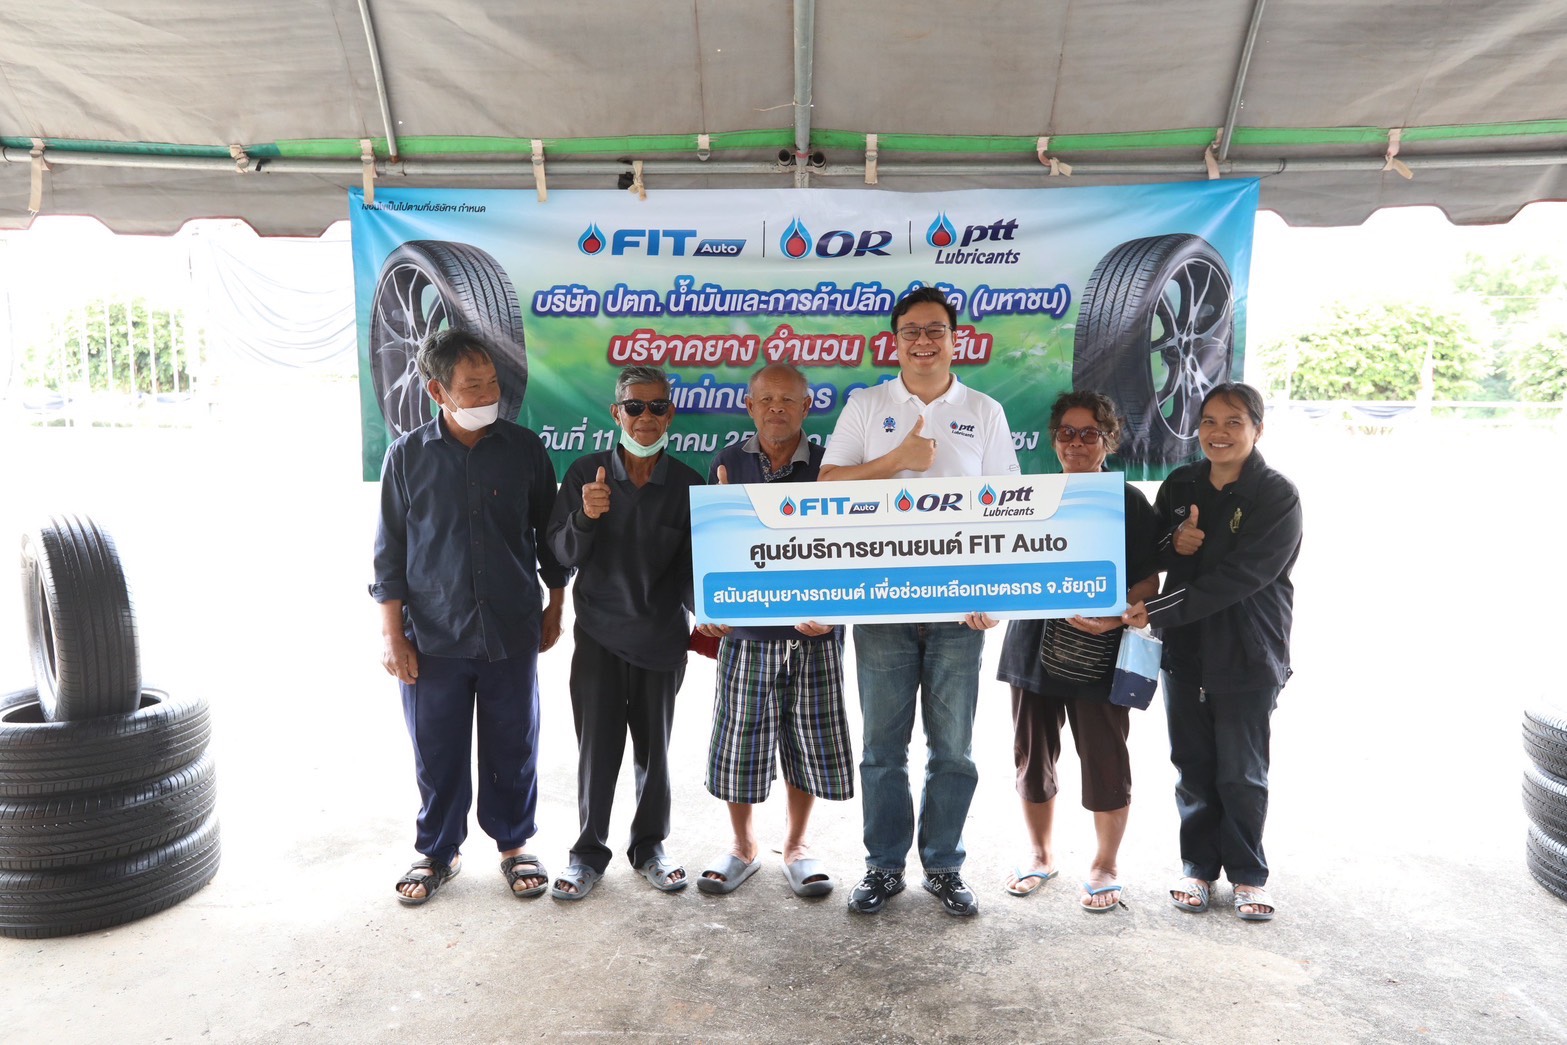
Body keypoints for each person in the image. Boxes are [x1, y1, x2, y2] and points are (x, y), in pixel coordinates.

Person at [819, 285, 1020, 917]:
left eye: (936, 329)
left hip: (961, 612)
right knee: (882, 749)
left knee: (953, 749)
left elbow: (1010, 507)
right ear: (895, 341)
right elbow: (828, 484)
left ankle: (943, 865)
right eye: (911, 330)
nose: (924, 341)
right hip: (881, 605)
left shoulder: (984, 410)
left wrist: (995, 597)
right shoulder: (867, 405)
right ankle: (883, 866)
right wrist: (898, 459)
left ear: (956, 339)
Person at [372, 328, 567, 906]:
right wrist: (392, 635)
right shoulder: (406, 456)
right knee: (437, 750)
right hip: (433, 635)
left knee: (514, 744)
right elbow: (389, 553)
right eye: (472, 386)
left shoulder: (525, 449)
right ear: (438, 391)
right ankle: (438, 850)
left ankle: (514, 844)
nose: (488, 395)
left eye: (492, 383)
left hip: (511, 628)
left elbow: (550, 539)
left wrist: (557, 606)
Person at [1123, 382, 1302, 922]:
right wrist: (1174, 541)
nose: (1218, 433)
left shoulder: (1276, 495)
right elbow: (1151, 549)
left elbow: (1241, 578)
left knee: (1242, 771)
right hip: (1185, 650)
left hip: (1249, 650)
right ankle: (1197, 868)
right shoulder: (1181, 483)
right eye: (1209, 422)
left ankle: (1249, 875)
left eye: (1233, 422)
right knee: (1193, 764)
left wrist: (1157, 610)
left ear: (1257, 430)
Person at [693, 363, 853, 898]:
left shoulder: (831, 466)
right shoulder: (727, 463)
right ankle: (742, 846)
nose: (776, 408)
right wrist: (707, 605)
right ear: (749, 405)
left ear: (808, 407)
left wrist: (835, 611)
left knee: (808, 739)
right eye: (766, 399)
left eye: (788, 400)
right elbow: (707, 544)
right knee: (739, 741)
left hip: (815, 633)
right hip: (746, 634)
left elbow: (856, 546)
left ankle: (798, 846)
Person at [996, 392, 1161, 911]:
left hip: (1101, 653)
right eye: (1067, 433)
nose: (1076, 443)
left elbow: (1149, 583)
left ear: (1109, 440)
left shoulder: (1128, 501)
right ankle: (1040, 855)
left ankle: (1105, 864)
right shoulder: (1028, 496)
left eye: (1090, 433)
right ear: (1053, 440)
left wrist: (1115, 615)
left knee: (1106, 758)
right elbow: (997, 564)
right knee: (1032, 756)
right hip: (1031, 646)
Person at [545, 365, 704, 900]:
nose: (645, 417)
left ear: (670, 414)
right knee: (597, 750)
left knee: (654, 755)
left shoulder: (688, 484)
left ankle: (650, 848)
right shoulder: (585, 473)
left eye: (657, 406)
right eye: (634, 406)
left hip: (661, 640)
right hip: (598, 638)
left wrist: (710, 609)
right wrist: (585, 517)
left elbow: (692, 570)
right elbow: (561, 555)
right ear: (617, 413)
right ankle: (587, 854)